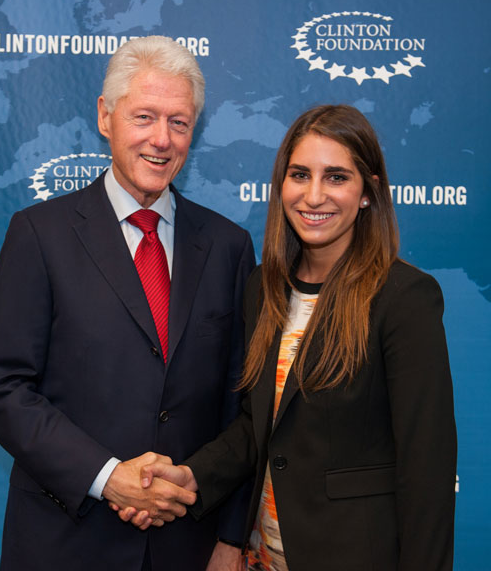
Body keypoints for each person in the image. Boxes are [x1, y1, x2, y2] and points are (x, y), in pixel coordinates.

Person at [122, 104, 457, 570]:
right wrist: (188, 476)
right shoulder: (264, 287)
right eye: (300, 174)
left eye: (336, 177)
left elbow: (428, 470)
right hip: (263, 558)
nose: (314, 195)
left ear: (368, 192)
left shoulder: (403, 298)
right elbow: (258, 426)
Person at [0, 35, 255, 571]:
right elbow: (1, 387)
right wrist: (108, 477)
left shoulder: (228, 248)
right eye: (144, 116)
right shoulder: (39, 234)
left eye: (179, 122)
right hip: (65, 542)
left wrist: (232, 537)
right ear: (106, 117)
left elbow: (244, 410)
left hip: (187, 546)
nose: (162, 139)